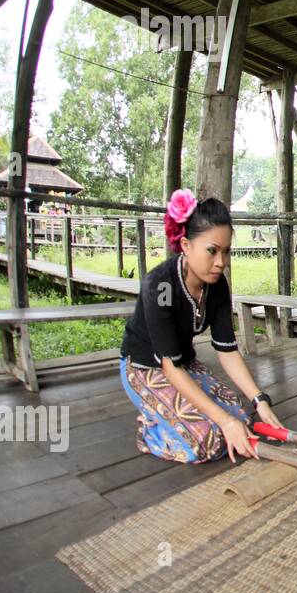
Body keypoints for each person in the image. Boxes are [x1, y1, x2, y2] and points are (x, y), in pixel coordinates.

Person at [118, 188, 283, 464]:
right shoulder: (160, 286)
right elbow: (169, 366)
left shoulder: (216, 285)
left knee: (241, 418)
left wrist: (259, 399)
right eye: (212, 251)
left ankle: (170, 415)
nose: (221, 262)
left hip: (185, 365)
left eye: (226, 251)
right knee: (207, 441)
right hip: (146, 368)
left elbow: (227, 350)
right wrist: (224, 422)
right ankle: (151, 430)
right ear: (185, 246)